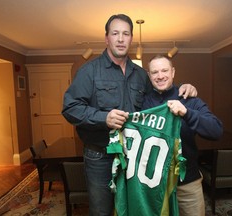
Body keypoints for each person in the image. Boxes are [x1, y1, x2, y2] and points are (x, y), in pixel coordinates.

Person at [62, 14, 197, 216]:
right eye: (115, 33)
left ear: (131, 38)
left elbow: (160, 101)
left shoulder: (141, 75)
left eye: (125, 34)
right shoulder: (89, 71)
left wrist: (184, 89)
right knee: (102, 211)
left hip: (135, 156)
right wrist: (103, 118)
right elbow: (70, 108)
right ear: (107, 38)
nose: (120, 38)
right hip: (101, 157)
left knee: (135, 208)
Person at [142, 54, 223, 216]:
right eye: (155, 72)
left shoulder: (189, 99)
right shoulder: (141, 102)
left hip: (187, 183)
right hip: (153, 184)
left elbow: (216, 131)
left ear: (173, 72)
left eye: (164, 70)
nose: (160, 76)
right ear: (149, 76)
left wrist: (187, 113)